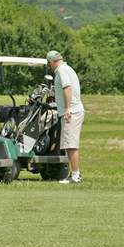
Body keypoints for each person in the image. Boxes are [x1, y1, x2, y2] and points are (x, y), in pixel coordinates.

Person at [46, 50, 85, 184]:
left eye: (49, 63)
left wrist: (67, 108)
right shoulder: (66, 68)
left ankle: (75, 176)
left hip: (71, 111)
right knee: (69, 144)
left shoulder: (61, 70)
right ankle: (73, 174)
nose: (49, 66)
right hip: (72, 110)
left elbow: (67, 88)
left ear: (52, 62)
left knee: (71, 144)